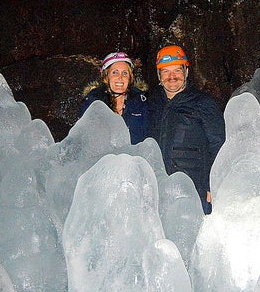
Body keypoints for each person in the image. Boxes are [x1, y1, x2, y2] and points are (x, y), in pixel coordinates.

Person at [149, 45, 226, 214]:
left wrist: (211, 185)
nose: (172, 77)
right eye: (165, 72)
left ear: (186, 71)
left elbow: (218, 145)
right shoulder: (152, 103)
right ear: (159, 75)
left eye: (177, 70)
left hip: (195, 189)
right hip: (161, 188)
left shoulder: (203, 103)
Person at [78, 51, 150, 144]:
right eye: (115, 73)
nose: (120, 78)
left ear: (130, 78)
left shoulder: (141, 103)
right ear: (106, 76)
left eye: (125, 73)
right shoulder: (91, 103)